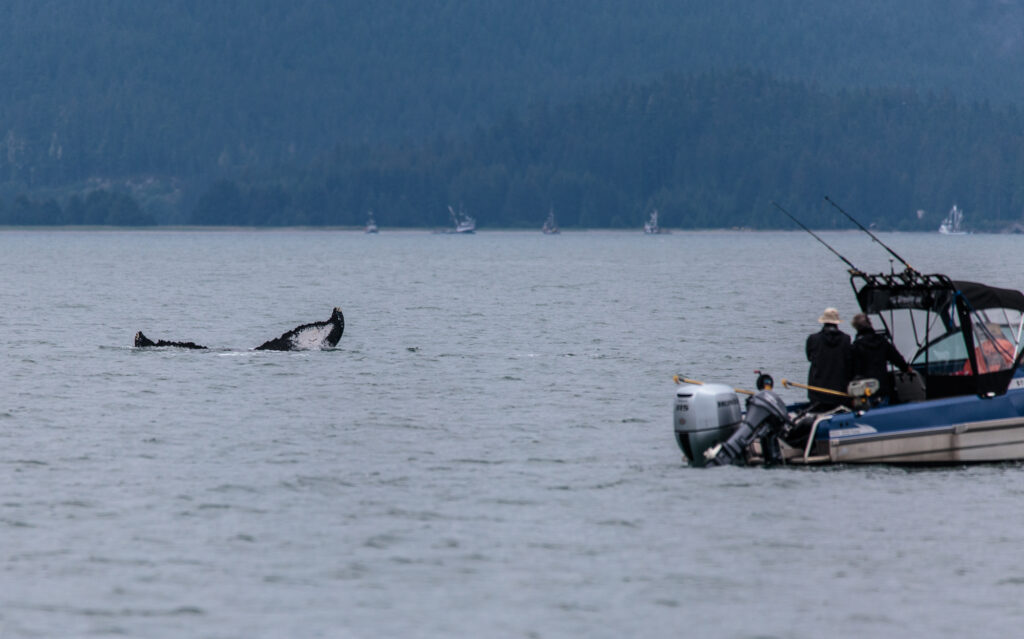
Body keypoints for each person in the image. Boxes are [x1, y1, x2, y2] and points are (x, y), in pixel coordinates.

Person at [850, 313, 910, 401]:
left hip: (865, 389)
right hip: (883, 387)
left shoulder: (856, 346)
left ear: (856, 328)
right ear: (870, 324)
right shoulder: (882, 341)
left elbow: (852, 369)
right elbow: (896, 358)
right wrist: (906, 368)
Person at [805, 307, 852, 410]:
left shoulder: (813, 339)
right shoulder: (846, 339)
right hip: (840, 393)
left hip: (817, 393)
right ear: (837, 323)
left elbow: (809, 358)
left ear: (824, 321)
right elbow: (849, 362)